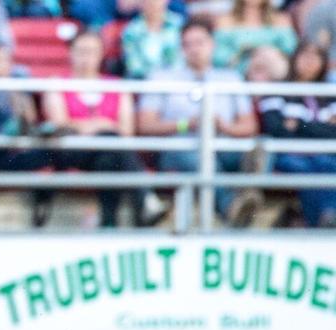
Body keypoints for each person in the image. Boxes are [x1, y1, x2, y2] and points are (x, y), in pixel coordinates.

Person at [139, 19, 259, 222]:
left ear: (212, 44)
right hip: (180, 148)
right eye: (188, 44)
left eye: (200, 42)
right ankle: (231, 207)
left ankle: (244, 196)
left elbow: (250, 126)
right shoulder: (161, 77)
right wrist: (187, 124)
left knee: (263, 148)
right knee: (196, 155)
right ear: (181, 48)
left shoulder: (231, 78)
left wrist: (224, 126)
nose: (194, 49)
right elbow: (144, 124)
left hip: (224, 144)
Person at [42, 31, 155, 228]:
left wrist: (88, 126)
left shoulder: (117, 86)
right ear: (71, 53)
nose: (86, 57)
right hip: (72, 151)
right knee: (110, 140)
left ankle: (109, 223)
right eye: (81, 51)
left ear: (101, 54)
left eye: (92, 51)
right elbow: (60, 124)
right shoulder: (57, 83)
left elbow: (127, 131)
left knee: (109, 159)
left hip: (106, 153)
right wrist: (103, 124)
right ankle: (145, 198)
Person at [259, 41, 336, 226]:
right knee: (305, 169)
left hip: (324, 156)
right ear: (295, 58)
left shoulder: (329, 94)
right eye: (305, 55)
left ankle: (325, 218)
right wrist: (319, 127)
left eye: (315, 56)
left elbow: (333, 133)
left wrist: (299, 125)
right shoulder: (276, 89)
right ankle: (322, 220)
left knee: (325, 164)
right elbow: (276, 129)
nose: (309, 61)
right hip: (287, 155)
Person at [214, 0, 298, 72]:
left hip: (274, 72)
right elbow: (217, 55)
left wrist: (265, 52)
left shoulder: (281, 20)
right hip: (236, 72)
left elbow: (292, 51)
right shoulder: (225, 21)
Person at [123, 0, 186, 79]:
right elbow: (134, 66)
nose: (152, 2)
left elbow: (183, 58)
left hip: (178, 80)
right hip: (143, 84)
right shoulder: (131, 31)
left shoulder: (180, 25)